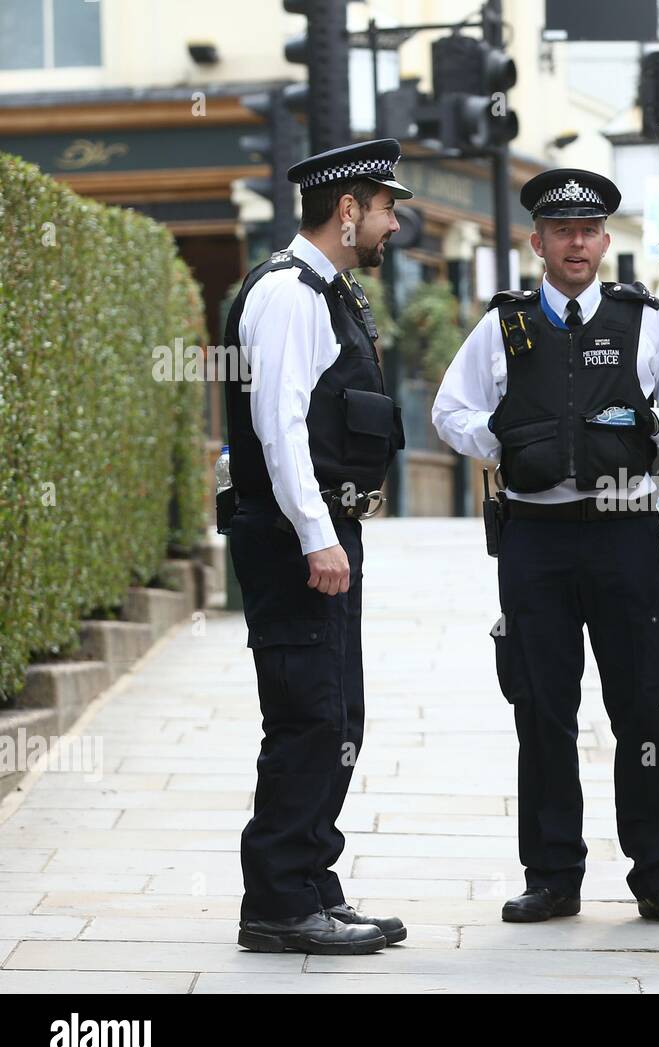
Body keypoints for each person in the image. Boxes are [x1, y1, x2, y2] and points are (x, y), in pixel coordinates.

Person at [432, 168, 659, 924]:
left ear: (604, 241)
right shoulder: (505, 325)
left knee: (641, 706)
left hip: (625, 533)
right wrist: (501, 438)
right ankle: (553, 875)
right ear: (538, 242)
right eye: (562, 231)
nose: (577, 243)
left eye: (589, 230)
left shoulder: (643, 322)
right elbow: (448, 410)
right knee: (542, 708)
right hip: (536, 539)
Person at [223, 139, 409, 954]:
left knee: (336, 710)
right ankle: (277, 900)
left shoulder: (324, 291)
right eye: (385, 208)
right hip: (297, 540)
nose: (392, 224)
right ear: (347, 211)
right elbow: (279, 426)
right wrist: (314, 533)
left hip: (319, 534)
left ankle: (310, 884)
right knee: (308, 714)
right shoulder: (291, 295)